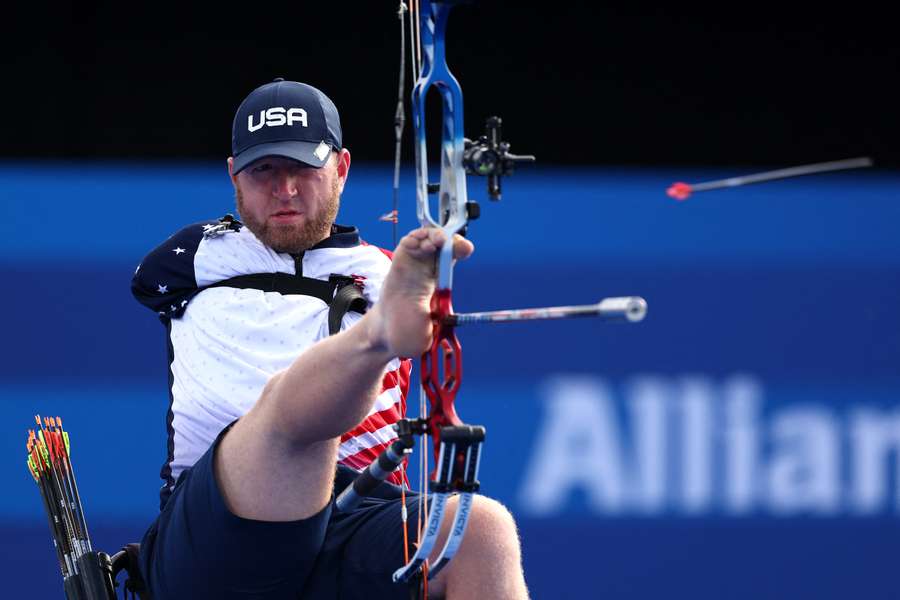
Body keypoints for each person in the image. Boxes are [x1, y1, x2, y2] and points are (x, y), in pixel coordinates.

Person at [131, 78, 529, 599]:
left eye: (302, 167)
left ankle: (377, 335)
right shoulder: (192, 257)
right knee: (287, 418)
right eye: (263, 171)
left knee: (480, 530)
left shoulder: (388, 271)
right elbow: (146, 281)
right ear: (234, 176)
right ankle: (376, 335)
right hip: (218, 528)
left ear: (340, 167)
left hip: (355, 516)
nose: (285, 189)